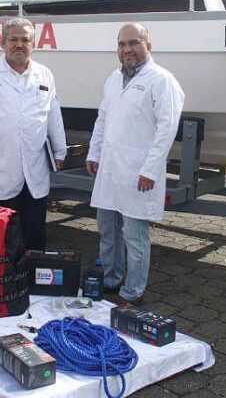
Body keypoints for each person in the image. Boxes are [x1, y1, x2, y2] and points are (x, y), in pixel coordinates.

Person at [86, 23, 185, 304]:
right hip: (110, 169)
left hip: (139, 173)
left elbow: (167, 128)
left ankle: (133, 291)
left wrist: (150, 169)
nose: (127, 49)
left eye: (133, 43)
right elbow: (103, 118)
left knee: (134, 235)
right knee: (107, 230)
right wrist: (93, 153)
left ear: (148, 46)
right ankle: (111, 279)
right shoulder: (113, 78)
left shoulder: (161, 80)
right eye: (122, 44)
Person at [0, 17, 66, 251]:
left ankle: (31, 271)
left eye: (25, 40)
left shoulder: (44, 75)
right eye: (13, 39)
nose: (19, 45)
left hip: (33, 170)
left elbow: (53, 115)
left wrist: (60, 151)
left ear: (33, 43)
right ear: (3, 42)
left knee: (33, 232)